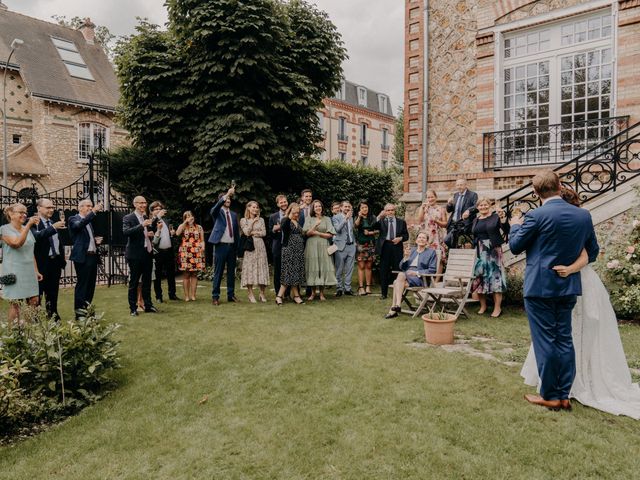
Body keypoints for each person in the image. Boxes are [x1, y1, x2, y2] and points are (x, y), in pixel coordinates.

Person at [520, 189, 640, 419]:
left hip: (562, 282)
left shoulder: (545, 218)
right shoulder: (581, 219)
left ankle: (557, 393)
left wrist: (571, 267)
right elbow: (591, 252)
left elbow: (522, 245)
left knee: (553, 338)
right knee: (570, 336)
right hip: (578, 284)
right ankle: (567, 389)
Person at [509, 170, 599, 411]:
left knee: (546, 341)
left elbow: (516, 246)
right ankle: (564, 394)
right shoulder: (583, 215)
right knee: (564, 340)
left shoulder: (535, 216)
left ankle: (550, 395)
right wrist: (570, 268)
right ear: (559, 186)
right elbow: (593, 251)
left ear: (536, 192)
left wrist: (515, 226)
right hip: (567, 285)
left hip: (539, 287)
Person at [0, 203, 41, 325]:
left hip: (28, 270)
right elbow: (16, 243)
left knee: (34, 300)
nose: (24, 215)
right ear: (11, 214)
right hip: (12, 271)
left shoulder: (26, 229)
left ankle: (29, 331)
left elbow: (31, 252)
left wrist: (36, 270)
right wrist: (28, 225)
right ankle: (14, 334)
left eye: (25, 213)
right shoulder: (4, 229)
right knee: (15, 303)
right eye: (21, 212)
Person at [470, 197, 510, 318]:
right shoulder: (476, 220)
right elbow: (474, 234)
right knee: (480, 278)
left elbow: (507, 229)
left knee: (495, 278)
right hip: (480, 251)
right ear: (478, 207)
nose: (483, 207)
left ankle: (497, 308)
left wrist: (503, 218)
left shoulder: (496, 217)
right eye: (481, 205)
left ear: (489, 206)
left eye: (485, 205)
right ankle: (483, 306)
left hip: (493, 251)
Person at [384, 232, 437, 319]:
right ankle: (395, 307)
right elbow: (401, 266)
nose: (421, 239)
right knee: (397, 281)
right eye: (419, 237)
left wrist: (416, 272)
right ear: (416, 240)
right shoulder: (411, 250)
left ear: (427, 242)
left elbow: (432, 270)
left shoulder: (431, 253)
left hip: (420, 278)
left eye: (424, 238)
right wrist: (406, 257)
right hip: (407, 276)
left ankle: (395, 306)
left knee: (397, 279)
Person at [31, 198, 67, 319]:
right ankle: (35, 319)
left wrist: (62, 258)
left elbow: (58, 242)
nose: (51, 210)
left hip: (55, 263)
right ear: (39, 208)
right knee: (38, 293)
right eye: (48, 207)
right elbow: (37, 237)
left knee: (53, 292)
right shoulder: (33, 223)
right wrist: (53, 228)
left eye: (52, 207)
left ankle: (52, 315)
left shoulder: (52, 222)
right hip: (41, 264)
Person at [123, 196, 158, 316]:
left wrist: (150, 233)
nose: (143, 205)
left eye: (145, 202)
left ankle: (148, 305)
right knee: (134, 282)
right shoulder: (128, 217)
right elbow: (126, 232)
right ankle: (133, 308)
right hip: (134, 254)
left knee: (147, 281)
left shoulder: (145, 217)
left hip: (147, 252)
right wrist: (141, 225)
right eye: (141, 203)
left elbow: (145, 234)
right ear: (135, 204)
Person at [69, 199, 103, 316]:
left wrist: (95, 241)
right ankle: (79, 314)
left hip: (93, 256)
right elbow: (78, 226)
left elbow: (85, 239)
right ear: (80, 208)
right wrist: (93, 212)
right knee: (82, 285)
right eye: (88, 206)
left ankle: (87, 310)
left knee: (90, 286)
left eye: (91, 206)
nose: (90, 208)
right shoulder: (74, 219)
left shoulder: (89, 222)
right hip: (82, 257)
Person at [209, 185, 240, 305]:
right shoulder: (217, 212)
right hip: (220, 246)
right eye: (226, 199)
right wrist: (227, 193)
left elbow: (236, 231)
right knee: (218, 272)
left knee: (231, 272)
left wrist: (237, 248)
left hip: (231, 246)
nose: (228, 200)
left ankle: (230, 295)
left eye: (229, 199)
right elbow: (214, 209)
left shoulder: (233, 214)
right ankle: (215, 296)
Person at [371, 203, 409, 299]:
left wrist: (400, 238)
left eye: (392, 210)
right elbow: (372, 226)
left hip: (397, 246)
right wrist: (379, 216)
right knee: (384, 270)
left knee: (398, 269)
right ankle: (384, 294)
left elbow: (406, 236)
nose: (390, 212)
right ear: (385, 211)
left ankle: (399, 293)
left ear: (394, 211)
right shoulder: (382, 221)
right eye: (388, 210)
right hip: (385, 247)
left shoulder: (401, 222)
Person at [303, 200, 337, 301]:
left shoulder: (327, 219)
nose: (318, 208)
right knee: (313, 267)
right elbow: (307, 233)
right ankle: (313, 293)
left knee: (323, 267)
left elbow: (330, 234)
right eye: (316, 206)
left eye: (319, 206)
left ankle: (322, 293)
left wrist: (318, 233)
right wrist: (315, 225)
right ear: (313, 208)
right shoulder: (309, 218)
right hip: (311, 245)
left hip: (323, 245)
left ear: (322, 207)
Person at [276, 203, 306, 305]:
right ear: (290, 211)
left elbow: (303, 233)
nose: (296, 214)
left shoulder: (297, 221)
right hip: (289, 249)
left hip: (298, 250)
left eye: (298, 212)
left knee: (295, 273)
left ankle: (296, 296)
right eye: (294, 212)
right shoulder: (285, 220)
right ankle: (279, 296)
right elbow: (283, 227)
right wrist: (290, 214)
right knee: (288, 272)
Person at [240, 201, 269, 303]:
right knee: (250, 268)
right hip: (250, 247)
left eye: (257, 207)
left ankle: (262, 294)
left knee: (261, 267)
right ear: (248, 208)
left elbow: (264, 233)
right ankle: (250, 294)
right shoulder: (243, 220)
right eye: (253, 207)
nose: (255, 209)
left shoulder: (261, 220)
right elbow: (247, 232)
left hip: (260, 246)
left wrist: (254, 232)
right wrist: (252, 222)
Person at [149, 201, 179, 302]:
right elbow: (151, 228)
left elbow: (170, 235)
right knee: (157, 275)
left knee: (171, 274)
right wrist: (157, 217)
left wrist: (173, 233)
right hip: (158, 252)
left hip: (168, 251)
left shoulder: (166, 221)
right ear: (152, 212)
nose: (158, 211)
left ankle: (172, 294)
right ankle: (159, 296)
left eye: (159, 209)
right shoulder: (151, 221)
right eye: (156, 209)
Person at [416, 190, 448, 275]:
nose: (430, 199)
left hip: (437, 236)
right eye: (428, 197)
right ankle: (426, 278)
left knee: (439, 257)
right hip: (426, 236)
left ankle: (436, 281)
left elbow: (445, 224)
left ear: (436, 197)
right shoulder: (423, 208)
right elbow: (419, 221)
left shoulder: (441, 209)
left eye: (432, 197)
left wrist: (436, 221)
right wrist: (422, 209)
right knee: (425, 256)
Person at [176, 211, 205, 301]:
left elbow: (202, 240)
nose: (189, 218)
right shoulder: (183, 226)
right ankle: (186, 296)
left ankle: (193, 295)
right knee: (186, 274)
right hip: (185, 253)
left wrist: (203, 247)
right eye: (187, 217)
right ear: (184, 218)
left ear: (193, 216)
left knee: (194, 274)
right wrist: (185, 222)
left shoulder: (199, 227)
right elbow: (177, 233)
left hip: (196, 252)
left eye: (190, 216)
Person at [332, 201, 356, 296]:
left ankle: (347, 288)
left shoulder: (351, 218)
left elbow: (351, 231)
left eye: (349, 207)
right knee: (339, 269)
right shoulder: (335, 217)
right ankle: (339, 288)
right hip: (341, 246)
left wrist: (354, 242)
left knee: (349, 268)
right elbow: (337, 229)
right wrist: (345, 218)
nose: (347, 208)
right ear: (341, 208)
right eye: (345, 207)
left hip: (351, 245)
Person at [354, 201, 378, 296]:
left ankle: (368, 286)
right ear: (359, 209)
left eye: (366, 207)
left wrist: (370, 233)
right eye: (362, 207)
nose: (365, 209)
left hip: (371, 244)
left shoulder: (373, 217)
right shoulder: (357, 218)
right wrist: (359, 216)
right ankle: (361, 287)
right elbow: (355, 226)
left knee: (369, 266)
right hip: (361, 244)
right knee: (361, 266)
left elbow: (378, 230)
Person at [445, 178, 478, 248]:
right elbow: (449, 210)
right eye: (457, 185)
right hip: (452, 223)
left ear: (466, 185)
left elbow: (477, 206)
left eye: (461, 185)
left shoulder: (472, 195)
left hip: (463, 223)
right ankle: (455, 255)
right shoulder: (455, 195)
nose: (459, 187)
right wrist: (449, 204)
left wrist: (469, 210)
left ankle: (457, 252)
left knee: (448, 240)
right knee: (450, 242)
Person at [268, 194, 289, 294]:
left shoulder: (291, 214)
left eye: (285, 201)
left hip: (289, 246)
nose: (284, 204)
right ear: (277, 204)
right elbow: (270, 234)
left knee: (289, 270)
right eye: (281, 202)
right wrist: (274, 230)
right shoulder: (273, 216)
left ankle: (288, 293)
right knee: (278, 271)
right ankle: (278, 293)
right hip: (277, 247)